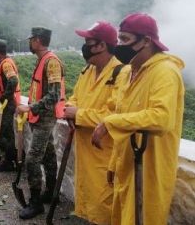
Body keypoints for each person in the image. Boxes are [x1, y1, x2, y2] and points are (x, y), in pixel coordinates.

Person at [91, 13, 185, 225]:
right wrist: (114, 163)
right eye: (119, 40)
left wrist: (109, 123)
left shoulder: (165, 72)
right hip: (126, 162)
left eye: (125, 39)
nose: (119, 46)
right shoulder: (127, 72)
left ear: (146, 41)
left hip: (150, 167)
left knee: (143, 218)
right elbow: (122, 113)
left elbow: (162, 118)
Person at [63, 21, 122, 225]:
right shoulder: (87, 70)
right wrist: (70, 109)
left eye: (89, 42)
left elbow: (113, 116)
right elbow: (75, 97)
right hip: (85, 151)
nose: (85, 46)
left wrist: (77, 114)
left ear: (101, 45)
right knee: (89, 204)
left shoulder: (120, 73)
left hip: (104, 154)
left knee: (105, 206)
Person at [15, 27, 63, 219]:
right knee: (49, 156)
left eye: (31, 39)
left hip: (45, 117)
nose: (30, 42)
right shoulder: (42, 60)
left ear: (38, 40)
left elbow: (53, 96)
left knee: (32, 159)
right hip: (39, 117)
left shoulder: (51, 62)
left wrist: (30, 108)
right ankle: (52, 194)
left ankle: (36, 203)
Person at [0, 38, 20, 172]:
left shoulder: (6, 64)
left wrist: (4, 97)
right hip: (4, 106)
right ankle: (8, 160)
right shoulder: (2, 63)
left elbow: (13, 80)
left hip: (6, 106)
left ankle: (8, 159)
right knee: (7, 134)